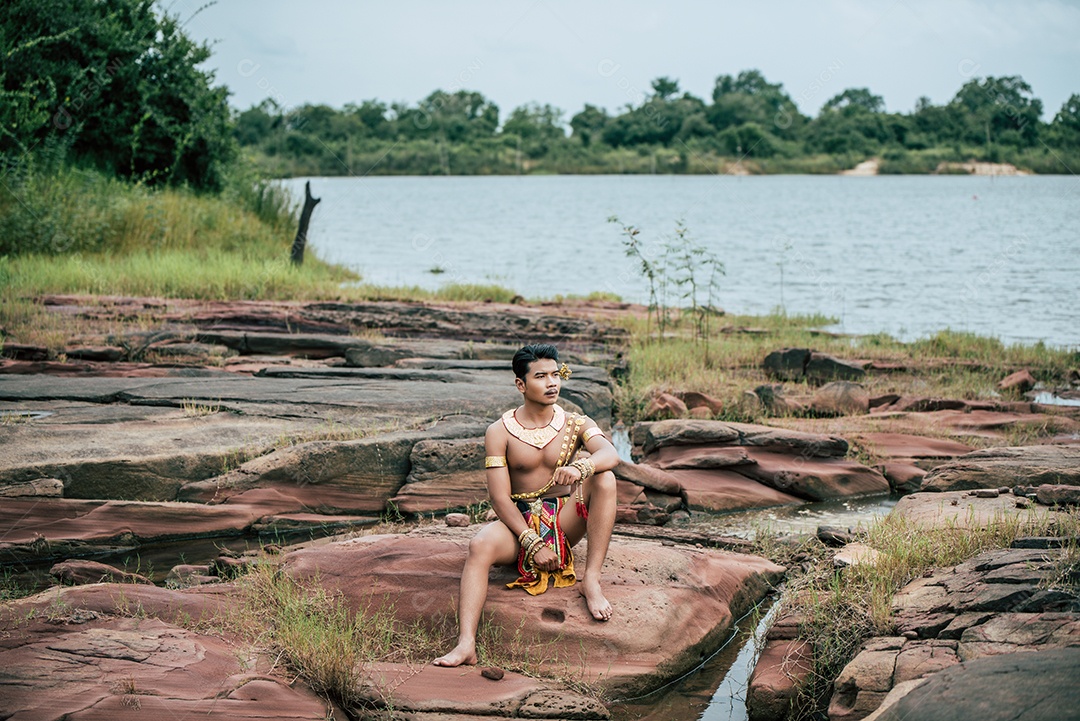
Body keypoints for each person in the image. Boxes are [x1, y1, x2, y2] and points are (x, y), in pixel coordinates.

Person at [433, 343, 619, 667]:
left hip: (564, 520)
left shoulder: (576, 422)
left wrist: (580, 468)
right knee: (478, 546)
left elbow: (610, 454)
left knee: (605, 479)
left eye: (556, 374)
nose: (552, 383)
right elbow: (499, 498)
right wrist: (531, 543)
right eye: (541, 376)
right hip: (517, 522)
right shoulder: (499, 431)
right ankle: (466, 644)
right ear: (521, 384)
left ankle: (591, 580)